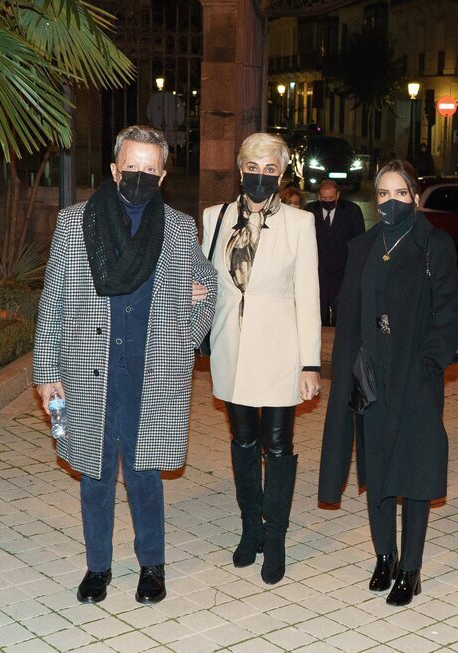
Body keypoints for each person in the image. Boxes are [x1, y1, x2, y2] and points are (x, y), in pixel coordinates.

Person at [34, 125, 218, 606]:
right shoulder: (76, 222)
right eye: (131, 166)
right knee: (94, 474)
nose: (139, 175)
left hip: (151, 370)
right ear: (115, 169)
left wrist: (182, 341)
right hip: (89, 368)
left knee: (144, 474)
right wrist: (47, 373)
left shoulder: (179, 228)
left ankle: (152, 567)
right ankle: (98, 568)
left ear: (162, 175)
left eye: (149, 169)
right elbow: (52, 301)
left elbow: (208, 288)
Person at [318, 159, 458, 606]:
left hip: (415, 375)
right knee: (377, 468)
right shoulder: (362, 245)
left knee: (414, 469)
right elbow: (346, 311)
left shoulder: (433, 245)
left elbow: (451, 313)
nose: (391, 201)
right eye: (383, 193)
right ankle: (385, 555)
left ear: (415, 199)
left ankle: (411, 568)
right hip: (369, 373)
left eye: (400, 193)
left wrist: (427, 364)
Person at [201, 132, 321, 585]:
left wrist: (311, 363)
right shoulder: (215, 218)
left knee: (278, 444)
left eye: (270, 170)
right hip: (230, 347)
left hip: (280, 351)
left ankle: (277, 538)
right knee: (243, 441)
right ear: (240, 167)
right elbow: (204, 280)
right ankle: (251, 529)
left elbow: (309, 296)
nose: (260, 176)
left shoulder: (298, 223)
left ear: (281, 174)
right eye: (253, 167)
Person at [304, 180, 366, 326]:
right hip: (317, 275)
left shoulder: (352, 211)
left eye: (331, 198)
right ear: (319, 197)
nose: (327, 201)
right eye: (324, 198)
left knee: (342, 318)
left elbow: (359, 244)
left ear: (337, 195)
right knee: (317, 318)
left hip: (342, 275)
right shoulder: (309, 211)